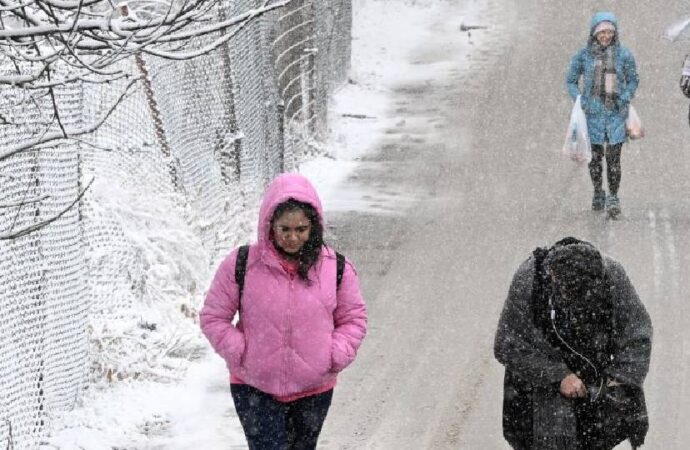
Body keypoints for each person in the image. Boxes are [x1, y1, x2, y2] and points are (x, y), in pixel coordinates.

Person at [200, 173, 367, 450]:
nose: (292, 238)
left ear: (314, 227)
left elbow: (354, 320)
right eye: (284, 229)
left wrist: (334, 354)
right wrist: (240, 351)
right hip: (254, 388)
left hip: (314, 390)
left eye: (301, 229)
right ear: (269, 225)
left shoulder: (336, 268)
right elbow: (213, 317)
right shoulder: (241, 264)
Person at [494, 237, 652, 450]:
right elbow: (507, 344)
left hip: (592, 392)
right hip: (535, 398)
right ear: (552, 276)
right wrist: (556, 375)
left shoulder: (612, 275)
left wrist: (618, 381)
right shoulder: (529, 280)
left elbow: (637, 335)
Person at [566, 12, 639, 218]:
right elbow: (570, 80)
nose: (606, 36)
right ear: (594, 33)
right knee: (595, 158)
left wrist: (625, 96)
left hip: (616, 114)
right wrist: (580, 99)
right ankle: (598, 191)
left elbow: (633, 79)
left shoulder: (624, 55)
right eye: (602, 32)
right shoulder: (583, 56)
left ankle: (613, 197)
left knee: (614, 159)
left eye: (609, 32)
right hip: (593, 115)